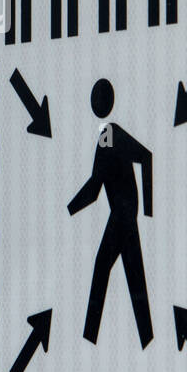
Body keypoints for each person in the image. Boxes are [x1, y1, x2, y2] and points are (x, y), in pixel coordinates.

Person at [68, 78, 154, 349]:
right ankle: (147, 338)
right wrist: (70, 208)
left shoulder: (111, 132)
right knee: (134, 276)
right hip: (123, 214)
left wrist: (148, 209)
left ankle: (89, 339)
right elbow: (95, 187)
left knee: (102, 267)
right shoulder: (105, 135)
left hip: (123, 214)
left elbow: (146, 157)